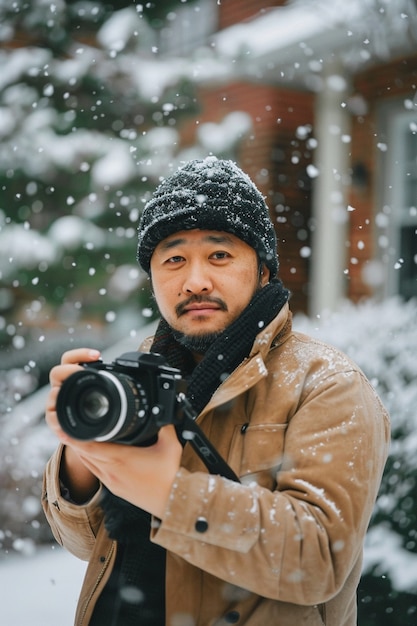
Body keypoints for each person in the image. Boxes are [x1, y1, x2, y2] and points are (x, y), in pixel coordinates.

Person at [42, 156, 390, 626]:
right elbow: (88, 545)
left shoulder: (326, 383)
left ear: (264, 269)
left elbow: (319, 560)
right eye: (174, 259)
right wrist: (82, 450)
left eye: (220, 254)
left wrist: (168, 493)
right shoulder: (136, 379)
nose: (195, 280)